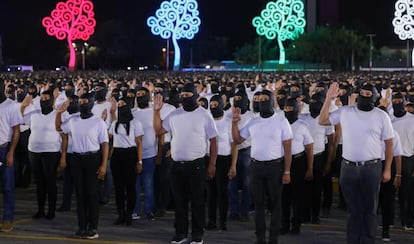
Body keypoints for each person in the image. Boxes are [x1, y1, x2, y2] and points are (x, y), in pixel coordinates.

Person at [319, 83, 393, 244]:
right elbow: (323, 120)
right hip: (348, 167)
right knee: (353, 210)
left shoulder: (381, 116)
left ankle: (367, 240)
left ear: (375, 97)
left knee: (370, 209)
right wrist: (328, 99)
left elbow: (389, 143)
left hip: (372, 167)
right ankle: (353, 240)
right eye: (362, 93)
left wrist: (387, 169)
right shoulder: (346, 112)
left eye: (368, 94)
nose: (364, 96)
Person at [153, 83, 218, 244]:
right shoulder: (175, 114)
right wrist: (156, 112)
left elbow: (213, 140)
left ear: (195, 96)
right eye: (183, 96)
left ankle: (197, 234)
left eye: (188, 96)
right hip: (176, 165)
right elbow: (159, 130)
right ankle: (180, 233)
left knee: (197, 202)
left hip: (196, 165)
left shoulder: (204, 115)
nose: (185, 98)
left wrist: (212, 164)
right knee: (179, 202)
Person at [232, 89, 293, 244]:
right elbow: (238, 140)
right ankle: (260, 238)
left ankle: (273, 239)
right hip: (256, 168)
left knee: (276, 205)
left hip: (275, 167)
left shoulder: (281, 120)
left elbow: (287, 148)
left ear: (272, 101)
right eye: (260, 100)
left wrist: (287, 171)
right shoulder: (253, 121)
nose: (263, 102)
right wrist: (234, 123)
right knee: (259, 205)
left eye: (266, 99)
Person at [58, 93, 109, 239]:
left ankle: (92, 227)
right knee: (80, 195)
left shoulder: (98, 122)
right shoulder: (73, 119)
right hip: (76, 159)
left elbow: (104, 144)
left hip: (92, 159)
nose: (81, 104)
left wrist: (104, 165)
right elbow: (60, 129)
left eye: (85, 101)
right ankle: (81, 226)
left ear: (91, 103)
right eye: (80, 102)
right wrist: (59, 113)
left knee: (92, 195)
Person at [21, 90, 61, 220]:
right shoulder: (34, 114)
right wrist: (23, 106)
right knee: (39, 182)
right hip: (34, 151)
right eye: (42, 98)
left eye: (47, 98)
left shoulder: (57, 114)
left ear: (52, 100)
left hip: (51, 151)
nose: (44, 100)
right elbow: (21, 120)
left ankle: (51, 210)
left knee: (50, 181)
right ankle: (40, 210)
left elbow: (63, 133)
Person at [281, 98, 314, 235]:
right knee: (284, 196)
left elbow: (309, 147)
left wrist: (310, 168)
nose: (288, 111)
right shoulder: (280, 124)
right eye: (286, 108)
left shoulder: (302, 126)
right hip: (282, 162)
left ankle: (296, 225)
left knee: (298, 196)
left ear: (296, 109)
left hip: (299, 162)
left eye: (290, 108)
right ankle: (284, 225)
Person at [109, 96, 143, 225]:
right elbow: (109, 136)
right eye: (119, 105)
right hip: (117, 155)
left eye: (123, 104)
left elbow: (139, 142)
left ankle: (129, 214)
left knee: (130, 187)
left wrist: (139, 161)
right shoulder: (115, 123)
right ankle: (121, 214)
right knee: (118, 187)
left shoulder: (136, 123)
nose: (120, 107)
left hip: (130, 154)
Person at [205, 95, 237, 231]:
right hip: (208, 159)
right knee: (210, 193)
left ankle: (222, 221)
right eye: (211, 105)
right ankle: (211, 221)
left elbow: (234, 144)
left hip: (224, 160)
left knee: (222, 192)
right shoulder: (207, 120)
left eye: (215, 105)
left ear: (221, 105)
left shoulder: (228, 121)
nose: (213, 107)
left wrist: (233, 165)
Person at [132, 87, 160, 221]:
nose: (140, 96)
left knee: (148, 184)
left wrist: (159, 153)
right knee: (135, 185)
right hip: (134, 154)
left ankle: (149, 211)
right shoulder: (132, 112)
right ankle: (135, 210)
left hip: (149, 154)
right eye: (138, 94)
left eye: (143, 94)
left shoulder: (153, 112)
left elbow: (160, 134)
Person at [228, 91, 255, 222]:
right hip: (231, 151)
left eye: (240, 98)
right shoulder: (229, 115)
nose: (238, 101)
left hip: (246, 152)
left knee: (246, 184)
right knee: (231, 183)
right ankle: (233, 211)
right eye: (236, 98)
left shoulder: (252, 116)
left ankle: (245, 211)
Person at [390, 92, 414, 231]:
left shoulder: (412, 119)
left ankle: (406, 220)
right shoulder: (388, 118)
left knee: (407, 194)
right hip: (391, 159)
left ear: (405, 102)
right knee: (389, 193)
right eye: (395, 100)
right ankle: (390, 220)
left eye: (400, 100)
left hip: (408, 160)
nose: (397, 102)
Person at [0, 79, 21, 232]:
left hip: (4, 150)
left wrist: (11, 153)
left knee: (7, 186)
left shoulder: (11, 106)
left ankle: (7, 218)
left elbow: (16, 131)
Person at [55, 95, 80, 212]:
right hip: (70, 153)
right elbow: (59, 129)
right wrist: (59, 112)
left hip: (79, 154)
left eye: (68, 102)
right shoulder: (68, 118)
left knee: (78, 181)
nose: (66, 104)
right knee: (68, 181)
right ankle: (66, 204)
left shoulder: (79, 118)